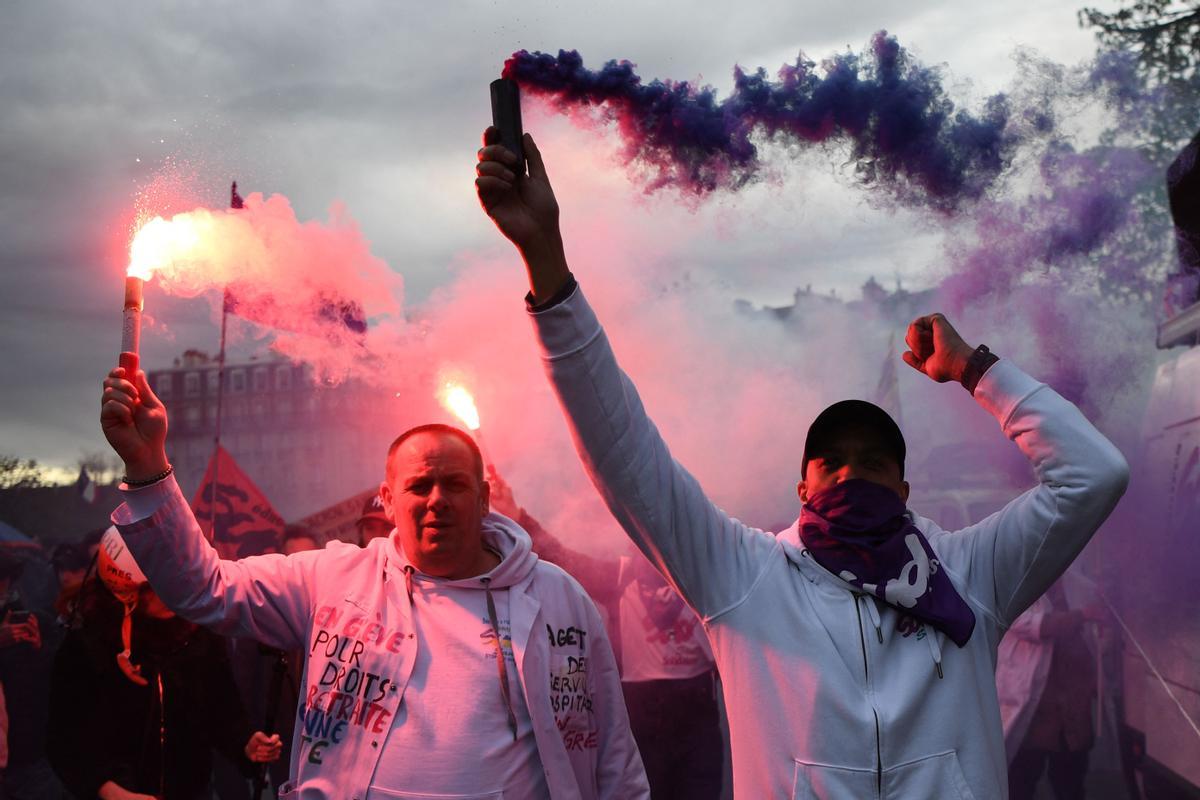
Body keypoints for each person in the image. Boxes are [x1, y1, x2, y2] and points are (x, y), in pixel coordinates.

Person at [476, 128, 1130, 798]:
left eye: (872, 462)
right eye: (832, 463)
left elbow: (1093, 473)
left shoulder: (971, 574)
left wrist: (974, 369)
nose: (851, 475)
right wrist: (546, 261)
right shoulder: (746, 576)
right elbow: (623, 451)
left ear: (904, 488)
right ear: (801, 487)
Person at [98, 370, 649, 799]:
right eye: (419, 485)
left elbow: (613, 757)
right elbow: (204, 590)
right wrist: (148, 467)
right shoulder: (332, 578)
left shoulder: (557, 599)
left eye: (455, 484)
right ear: (387, 501)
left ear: (483, 498)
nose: (437, 499)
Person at [488, 468, 725, 799]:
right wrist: (516, 515)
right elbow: (560, 557)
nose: (653, 544)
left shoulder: (703, 583)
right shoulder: (620, 578)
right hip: (642, 710)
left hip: (696, 711)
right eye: (645, 535)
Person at [48, 527, 281, 800]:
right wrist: (108, 790)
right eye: (159, 585)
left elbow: (222, 708)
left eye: (180, 581)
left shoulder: (198, 632)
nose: (174, 593)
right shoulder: (88, 642)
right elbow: (65, 739)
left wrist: (245, 743)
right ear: (125, 588)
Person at [996, 571, 1109, 799]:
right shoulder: (1013, 585)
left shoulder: (1079, 584)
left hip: (1072, 713)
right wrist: (1083, 614)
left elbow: (1098, 626)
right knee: (1021, 783)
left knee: (1070, 786)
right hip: (1034, 711)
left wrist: (1101, 604)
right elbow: (1035, 626)